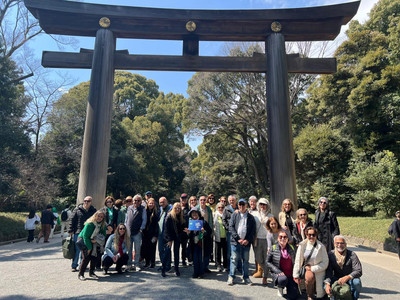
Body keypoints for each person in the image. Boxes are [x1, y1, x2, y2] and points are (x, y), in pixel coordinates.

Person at [293, 226, 329, 300]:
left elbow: (325, 262)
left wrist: (312, 268)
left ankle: (315, 291)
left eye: (313, 235)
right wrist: (296, 275)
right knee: (310, 277)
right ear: (306, 235)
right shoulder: (302, 245)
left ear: (316, 235)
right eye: (309, 235)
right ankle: (310, 295)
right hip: (306, 269)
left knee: (320, 294)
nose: (311, 236)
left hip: (318, 270)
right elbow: (298, 260)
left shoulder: (321, 246)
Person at [227, 199, 256, 286]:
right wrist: (238, 238)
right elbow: (231, 227)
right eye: (240, 204)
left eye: (243, 204)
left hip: (246, 243)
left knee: (246, 260)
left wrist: (247, 240)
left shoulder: (251, 217)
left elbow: (252, 231)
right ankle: (231, 276)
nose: (241, 206)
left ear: (246, 205)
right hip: (236, 242)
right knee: (234, 259)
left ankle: (246, 277)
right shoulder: (234, 215)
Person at [324, 235, 363, 300]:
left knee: (357, 282)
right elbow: (328, 271)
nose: (339, 245)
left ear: (345, 244)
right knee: (325, 286)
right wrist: (327, 284)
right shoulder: (330, 255)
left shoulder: (352, 254)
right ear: (334, 244)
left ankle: (354, 298)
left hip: (349, 278)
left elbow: (358, 270)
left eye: (342, 243)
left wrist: (347, 277)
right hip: (336, 278)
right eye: (337, 243)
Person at [266, 230, 299, 299]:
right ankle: (280, 287)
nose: (283, 239)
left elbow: (296, 262)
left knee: (294, 296)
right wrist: (278, 271)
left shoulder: (292, 248)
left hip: (290, 274)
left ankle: (288, 286)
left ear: (287, 239)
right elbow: (267, 262)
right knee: (282, 280)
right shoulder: (273, 248)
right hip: (280, 274)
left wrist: (297, 274)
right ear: (278, 238)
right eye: (281, 237)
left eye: (285, 237)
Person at [68, 196, 97, 272]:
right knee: (77, 250)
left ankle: (82, 265)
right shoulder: (77, 209)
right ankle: (74, 265)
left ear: (91, 202)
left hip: (88, 233)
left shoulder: (93, 210)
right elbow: (72, 219)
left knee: (85, 250)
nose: (86, 202)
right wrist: (70, 229)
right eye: (85, 201)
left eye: (88, 201)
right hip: (78, 232)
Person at [77, 210, 107, 281]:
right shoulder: (90, 224)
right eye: (98, 216)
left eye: (101, 217)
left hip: (95, 242)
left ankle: (92, 272)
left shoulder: (103, 225)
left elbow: (103, 235)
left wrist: (97, 240)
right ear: (95, 216)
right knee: (86, 258)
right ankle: (81, 274)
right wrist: (89, 248)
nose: (99, 218)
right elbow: (85, 236)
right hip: (86, 241)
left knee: (94, 257)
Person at [186, 207, 213, 278]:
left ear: (198, 214)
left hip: (202, 244)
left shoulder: (203, 222)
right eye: (193, 213)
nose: (194, 214)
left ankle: (201, 273)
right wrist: (188, 232)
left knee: (201, 258)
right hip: (193, 244)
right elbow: (188, 235)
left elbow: (209, 232)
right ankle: (195, 272)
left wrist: (204, 231)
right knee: (195, 258)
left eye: (196, 213)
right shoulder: (190, 222)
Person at [251, 197, 273, 284]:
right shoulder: (254, 214)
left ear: (267, 205)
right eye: (261, 204)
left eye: (264, 204)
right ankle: (265, 270)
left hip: (267, 239)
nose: (262, 206)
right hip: (257, 238)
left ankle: (265, 276)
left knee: (266, 258)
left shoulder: (270, 216)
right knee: (258, 258)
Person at [161, 202, 186, 277]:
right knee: (167, 253)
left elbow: (182, 228)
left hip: (177, 236)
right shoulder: (169, 216)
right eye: (176, 208)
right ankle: (163, 269)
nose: (177, 209)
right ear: (173, 208)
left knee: (176, 253)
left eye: (179, 208)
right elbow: (166, 229)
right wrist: (169, 240)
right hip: (170, 236)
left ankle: (176, 269)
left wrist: (185, 232)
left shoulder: (181, 216)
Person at [125, 194, 147, 271]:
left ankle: (136, 264)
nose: (136, 202)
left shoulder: (143, 209)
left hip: (137, 232)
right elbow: (126, 219)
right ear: (133, 201)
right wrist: (125, 228)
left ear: (141, 201)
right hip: (128, 232)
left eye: (138, 200)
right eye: (135, 200)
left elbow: (144, 220)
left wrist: (141, 229)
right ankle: (129, 264)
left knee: (137, 249)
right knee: (129, 249)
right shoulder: (129, 208)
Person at [222, 194, 239, 273]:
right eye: (230, 200)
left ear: (235, 201)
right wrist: (228, 228)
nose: (232, 202)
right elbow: (224, 220)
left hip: (239, 232)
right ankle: (229, 267)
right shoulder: (226, 209)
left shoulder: (239, 208)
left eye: (233, 200)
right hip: (230, 233)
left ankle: (238, 267)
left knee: (238, 250)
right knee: (229, 250)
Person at [197, 195, 213, 271]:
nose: (202, 201)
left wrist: (211, 232)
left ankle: (205, 267)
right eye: (201, 200)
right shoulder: (196, 209)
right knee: (199, 250)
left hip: (207, 232)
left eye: (204, 200)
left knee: (207, 250)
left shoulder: (209, 209)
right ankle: (199, 266)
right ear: (199, 201)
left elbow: (211, 221)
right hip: (197, 233)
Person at [142, 197, 159, 268]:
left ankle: (152, 262)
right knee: (145, 248)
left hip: (153, 233)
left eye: (152, 203)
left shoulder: (156, 212)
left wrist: (155, 235)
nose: (151, 204)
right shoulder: (144, 211)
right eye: (150, 203)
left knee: (152, 248)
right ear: (147, 203)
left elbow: (157, 224)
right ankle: (147, 262)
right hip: (145, 232)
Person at [213, 202, 228, 272]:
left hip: (225, 236)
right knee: (218, 251)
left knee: (225, 252)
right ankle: (218, 264)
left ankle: (225, 265)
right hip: (218, 235)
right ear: (217, 208)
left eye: (222, 207)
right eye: (219, 207)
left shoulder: (226, 215)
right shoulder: (215, 214)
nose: (220, 209)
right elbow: (213, 224)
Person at [180, 193, 190, 266]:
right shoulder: (177, 207)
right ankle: (176, 261)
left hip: (185, 230)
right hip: (177, 230)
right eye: (182, 198)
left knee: (184, 247)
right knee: (176, 247)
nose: (183, 200)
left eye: (185, 198)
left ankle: (184, 260)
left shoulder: (189, 209)